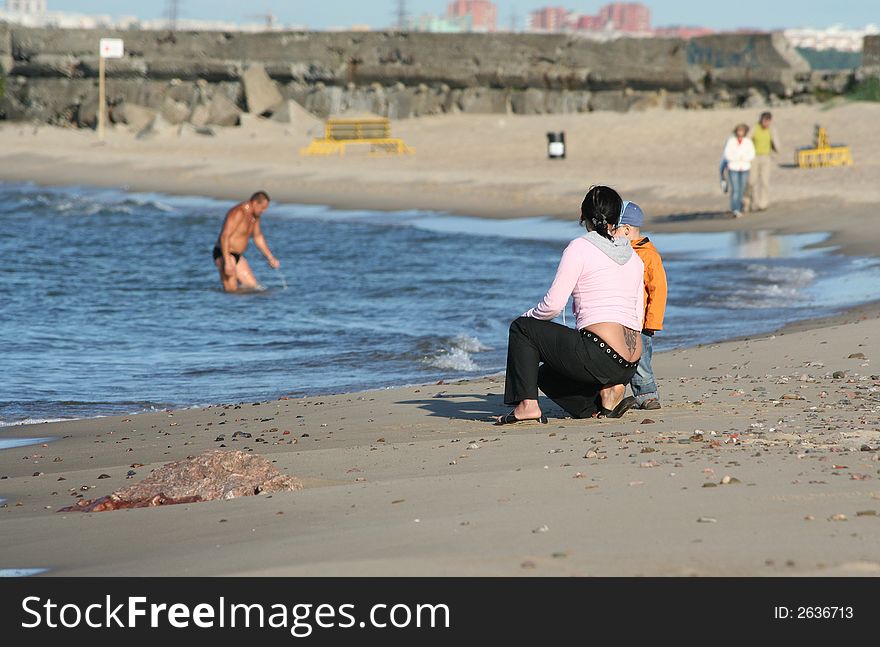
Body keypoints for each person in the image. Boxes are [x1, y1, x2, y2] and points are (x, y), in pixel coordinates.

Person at [495, 185, 645, 424]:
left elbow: (553, 306)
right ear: (617, 219)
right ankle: (600, 402)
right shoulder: (635, 258)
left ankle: (527, 406)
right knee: (544, 376)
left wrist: (528, 318)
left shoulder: (580, 247)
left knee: (522, 328)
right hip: (629, 363)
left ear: (582, 214)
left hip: (601, 354)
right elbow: (638, 316)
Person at [615, 201, 667, 411]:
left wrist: (652, 322)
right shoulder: (621, 251)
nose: (610, 233)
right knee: (619, 358)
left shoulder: (648, 254)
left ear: (627, 229)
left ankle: (647, 394)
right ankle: (614, 394)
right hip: (620, 318)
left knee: (641, 360)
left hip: (641, 322)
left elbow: (658, 290)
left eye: (613, 229)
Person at [213, 191, 280, 292]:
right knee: (231, 290)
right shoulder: (238, 212)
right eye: (262, 208)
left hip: (237, 255)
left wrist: (270, 257)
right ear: (254, 203)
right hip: (224, 253)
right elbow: (224, 236)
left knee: (255, 288)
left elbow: (257, 236)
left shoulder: (254, 216)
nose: (263, 211)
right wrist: (227, 261)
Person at [742, 112, 780, 212]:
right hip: (754, 157)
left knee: (764, 181)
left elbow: (775, 142)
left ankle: (763, 203)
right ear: (761, 120)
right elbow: (747, 140)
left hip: (766, 157)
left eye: (768, 121)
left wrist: (776, 149)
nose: (766, 123)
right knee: (751, 181)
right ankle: (747, 201)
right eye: (765, 120)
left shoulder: (771, 130)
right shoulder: (755, 128)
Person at [720, 123, 755, 218]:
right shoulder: (731, 141)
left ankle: (739, 207)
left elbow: (752, 154)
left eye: (742, 131)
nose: (740, 133)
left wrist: (744, 158)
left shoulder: (748, 141)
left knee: (742, 188)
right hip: (733, 167)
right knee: (735, 188)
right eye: (739, 131)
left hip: (744, 167)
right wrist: (737, 158)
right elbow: (727, 154)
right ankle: (735, 208)